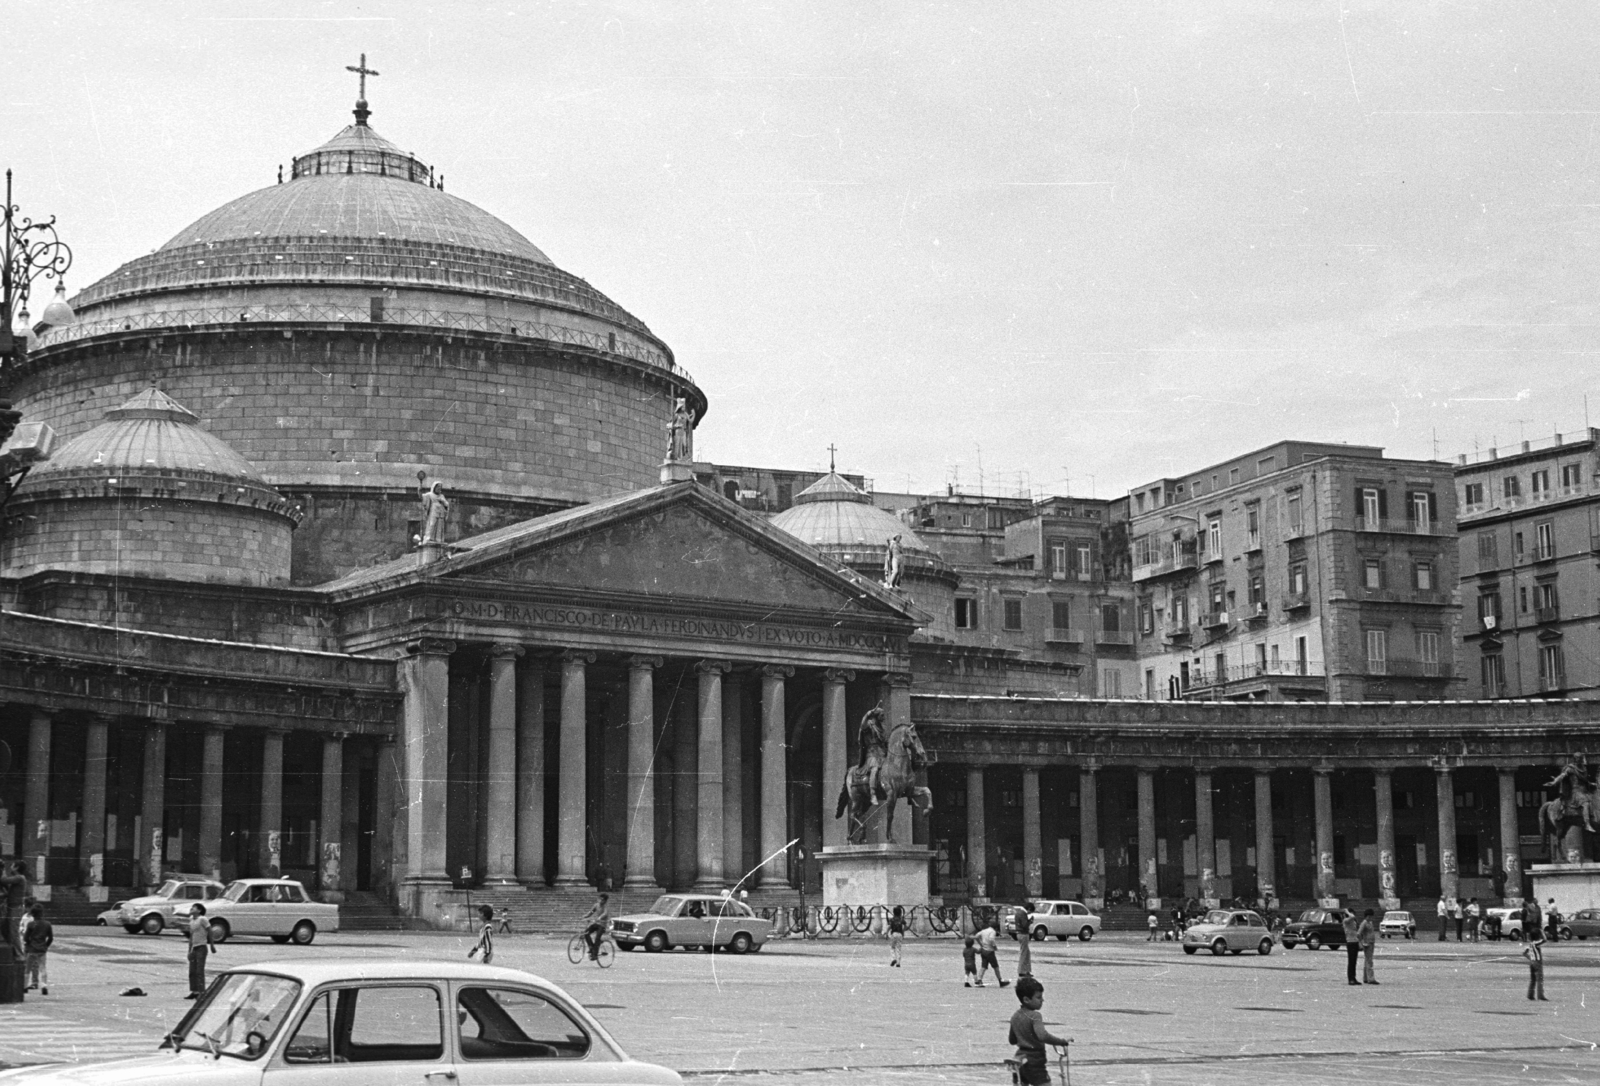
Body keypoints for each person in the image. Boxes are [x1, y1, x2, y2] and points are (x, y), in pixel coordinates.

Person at [1007, 976, 1071, 1086]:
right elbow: (1042, 1036)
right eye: (1039, 997)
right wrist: (1061, 1041)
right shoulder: (1035, 1016)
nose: (1042, 1000)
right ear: (1026, 999)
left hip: (1019, 1060)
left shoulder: (1015, 1016)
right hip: (1034, 1061)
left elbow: (1012, 1040)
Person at [22, 904, 51, 995]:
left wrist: (29, 943)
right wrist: (46, 946)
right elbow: (50, 938)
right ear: (42, 913)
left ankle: (25, 987)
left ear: (32, 914)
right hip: (42, 949)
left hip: (32, 949)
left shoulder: (31, 924)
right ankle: (44, 986)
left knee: (28, 968)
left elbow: (26, 938)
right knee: (42, 967)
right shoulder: (47, 924)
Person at [186, 904, 214, 1000]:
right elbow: (191, 936)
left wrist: (212, 945)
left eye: (193, 908)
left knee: (199, 971)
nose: (191, 909)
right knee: (192, 971)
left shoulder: (203, 919)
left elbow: (210, 931)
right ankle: (195, 991)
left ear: (199, 910)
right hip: (194, 948)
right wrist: (189, 951)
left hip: (201, 947)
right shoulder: (191, 921)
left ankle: (202, 992)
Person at [975, 919, 1009, 988]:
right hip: (990, 951)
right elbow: (991, 939)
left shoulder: (984, 931)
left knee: (983, 966)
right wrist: (994, 946)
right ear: (996, 928)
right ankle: (1000, 980)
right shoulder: (992, 932)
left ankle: (979, 980)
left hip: (983, 950)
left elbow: (976, 936)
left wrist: (981, 944)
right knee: (995, 966)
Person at [581, 893, 611, 961]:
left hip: (602, 925)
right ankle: (591, 947)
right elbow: (591, 912)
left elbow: (605, 913)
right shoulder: (596, 905)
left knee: (597, 938)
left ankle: (595, 955)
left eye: (602, 900)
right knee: (586, 933)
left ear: (605, 901)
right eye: (599, 899)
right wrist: (586, 916)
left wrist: (600, 917)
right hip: (596, 923)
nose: (600, 901)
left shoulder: (605, 906)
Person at [1523, 930, 1548, 1001]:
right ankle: (1540, 996)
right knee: (1540, 979)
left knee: (1533, 980)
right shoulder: (1536, 943)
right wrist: (1542, 932)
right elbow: (1545, 940)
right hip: (1537, 962)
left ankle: (1530, 995)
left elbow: (1524, 953)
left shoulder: (1530, 944)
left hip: (1532, 963)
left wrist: (1530, 958)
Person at [1358, 908, 1378, 985]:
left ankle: (1366, 977)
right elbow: (1359, 933)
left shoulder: (1370, 923)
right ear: (1367, 916)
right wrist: (1362, 942)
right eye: (1370, 916)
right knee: (1369, 961)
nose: (1371, 918)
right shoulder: (1364, 923)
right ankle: (1371, 978)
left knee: (1367, 960)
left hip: (1371, 943)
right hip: (1367, 943)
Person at [1342, 910, 1362, 986]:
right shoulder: (1346, 921)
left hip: (1355, 941)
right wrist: (1347, 912)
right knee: (1351, 961)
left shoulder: (1353, 921)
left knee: (1354, 961)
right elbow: (1352, 916)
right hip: (1350, 942)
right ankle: (1350, 979)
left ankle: (1353, 977)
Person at [1013, 904, 1033, 977]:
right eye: (1030, 911)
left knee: (1027, 952)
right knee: (1024, 953)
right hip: (1023, 934)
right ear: (1029, 909)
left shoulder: (1018, 912)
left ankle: (1026, 970)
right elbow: (1024, 925)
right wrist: (1030, 921)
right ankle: (1021, 971)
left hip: (1019, 934)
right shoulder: (1023, 913)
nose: (1029, 913)